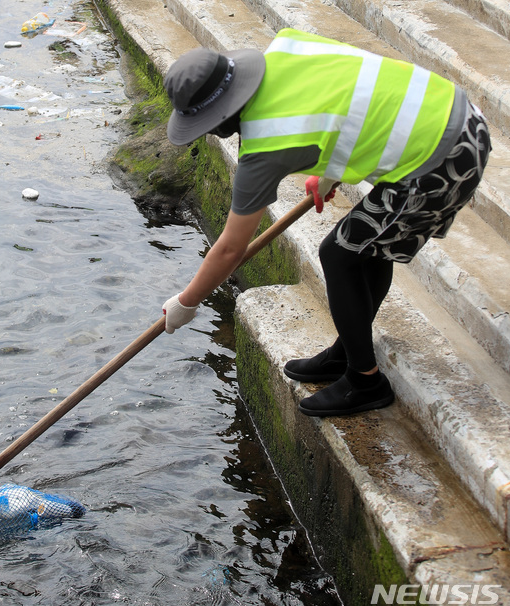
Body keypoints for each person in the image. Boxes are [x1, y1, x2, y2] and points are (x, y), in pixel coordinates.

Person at [161, 28, 491, 418]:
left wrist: (187, 302)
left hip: (445, 159)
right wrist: (330, 173)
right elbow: (348, 98)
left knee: (340, 254)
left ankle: (365, 382)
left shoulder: (266, 145)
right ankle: (348, 351)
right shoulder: (287, 47)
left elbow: (231, 249)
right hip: (456, 113)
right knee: (365, 248)